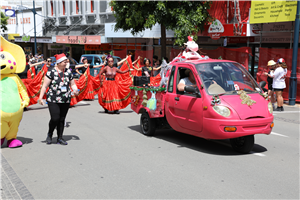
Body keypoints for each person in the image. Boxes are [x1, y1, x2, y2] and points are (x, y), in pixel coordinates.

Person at [38, 53, 79, 145]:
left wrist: (75, 90)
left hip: (65, 99)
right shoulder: (51, 72)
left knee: (62, 119)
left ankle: (60, 138)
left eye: (66, 61)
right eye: (64, 62)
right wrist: (40, 98)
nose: (66, 63)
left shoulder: (68, 72)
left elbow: (72, 84)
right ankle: (50, 134)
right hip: (53, 99)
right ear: (59, 63)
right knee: (55, 118)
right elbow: (44, 86)